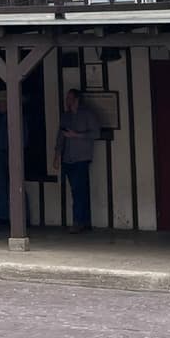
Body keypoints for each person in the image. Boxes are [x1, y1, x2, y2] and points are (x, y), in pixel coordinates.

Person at [53, 88, 100, 233]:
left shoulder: (87, 115)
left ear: (76, 100)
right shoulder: (65, 116)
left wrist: (77, 135)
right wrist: (57, 155)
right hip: (68, 158)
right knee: (76, 191)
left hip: (81, 158)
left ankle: (79, 222)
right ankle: (83, 222)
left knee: (79, 191)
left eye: (69, 98)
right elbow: (60, 136)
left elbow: (96, 133)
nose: (67, 101)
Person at [0, 91, 28, 228]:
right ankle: (4, 217)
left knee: (17, 185)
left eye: (2, 102)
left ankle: (22, 217)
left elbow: (24, 137)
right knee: (1, 186)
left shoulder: (18, 118)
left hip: (14, 154)